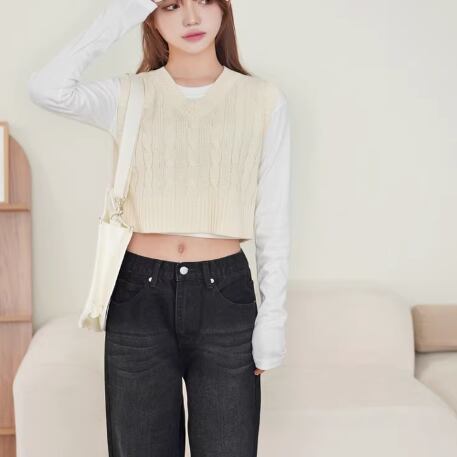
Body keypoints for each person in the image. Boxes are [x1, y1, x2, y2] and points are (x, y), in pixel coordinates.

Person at [28, 0, 291, 455]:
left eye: (203, 1)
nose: (191, 18)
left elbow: (274, 218)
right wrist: (127, 9)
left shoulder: (263, 99)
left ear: (223, 9)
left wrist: (273, 318)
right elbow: (46, 88)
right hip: (138, 295)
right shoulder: (129, 95)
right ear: (151, 16)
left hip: (225, 298)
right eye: (171, 5)